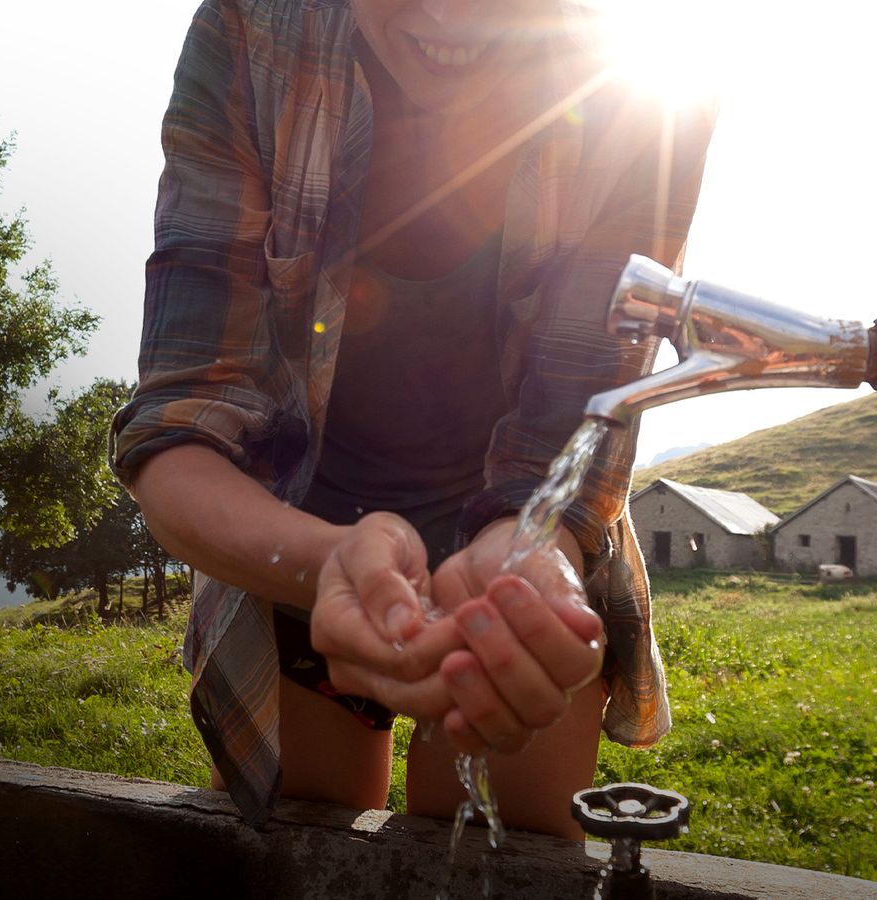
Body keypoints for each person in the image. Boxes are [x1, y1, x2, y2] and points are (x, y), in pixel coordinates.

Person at [110, 0, 715, 838]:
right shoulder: (253, 33)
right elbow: (183, 420)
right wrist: (322, 565)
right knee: (296, 848)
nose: (452, 13)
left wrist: (521, 553)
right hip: (294, 540)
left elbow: (570, 428)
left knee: (512, 857)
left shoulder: (652, 92)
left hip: (525, 562)